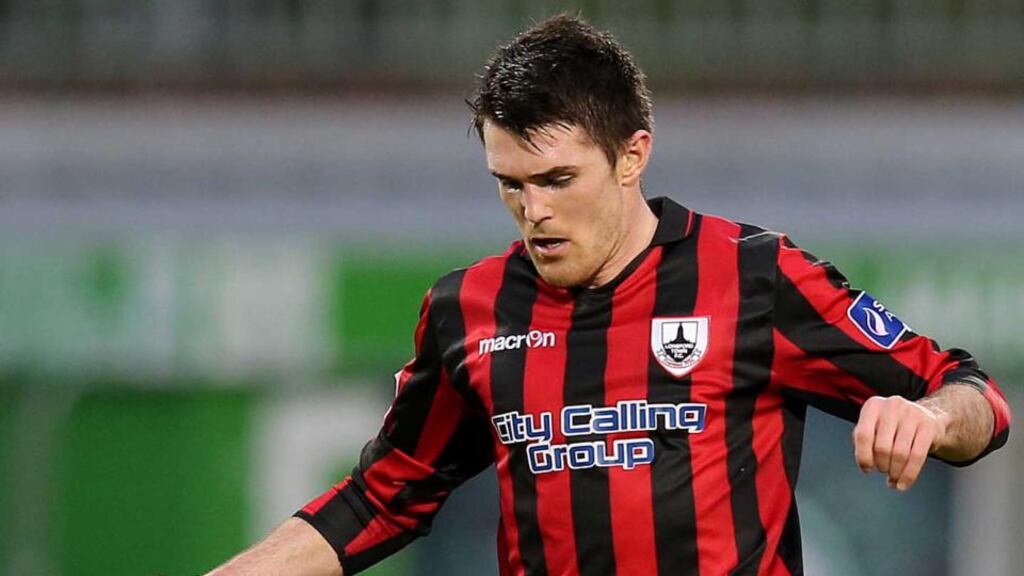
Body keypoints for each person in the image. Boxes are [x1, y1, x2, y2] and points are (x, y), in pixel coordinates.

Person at [207, 14, 1011, 576]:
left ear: (632, 156)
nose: (534, 210)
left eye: (558, 179)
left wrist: (933, 418)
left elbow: (977, 398)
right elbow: (381, 498)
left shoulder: (752, 277)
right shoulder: (468, 311)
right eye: (510, 184)